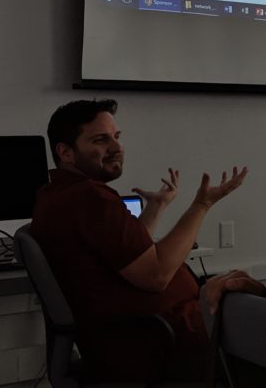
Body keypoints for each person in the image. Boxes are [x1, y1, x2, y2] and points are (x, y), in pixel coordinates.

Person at [31, 99, 248, 382]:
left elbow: (128, 254)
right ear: (66, 152)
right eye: (100, 139)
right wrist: (202, 205)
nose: (116, 147)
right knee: (265, 310)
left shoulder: (57, 195)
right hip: (160, 343)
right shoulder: (90, 199)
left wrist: (155, 208)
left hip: (139, 335)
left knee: (242, 287)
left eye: (117, 137)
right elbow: (156, 274)